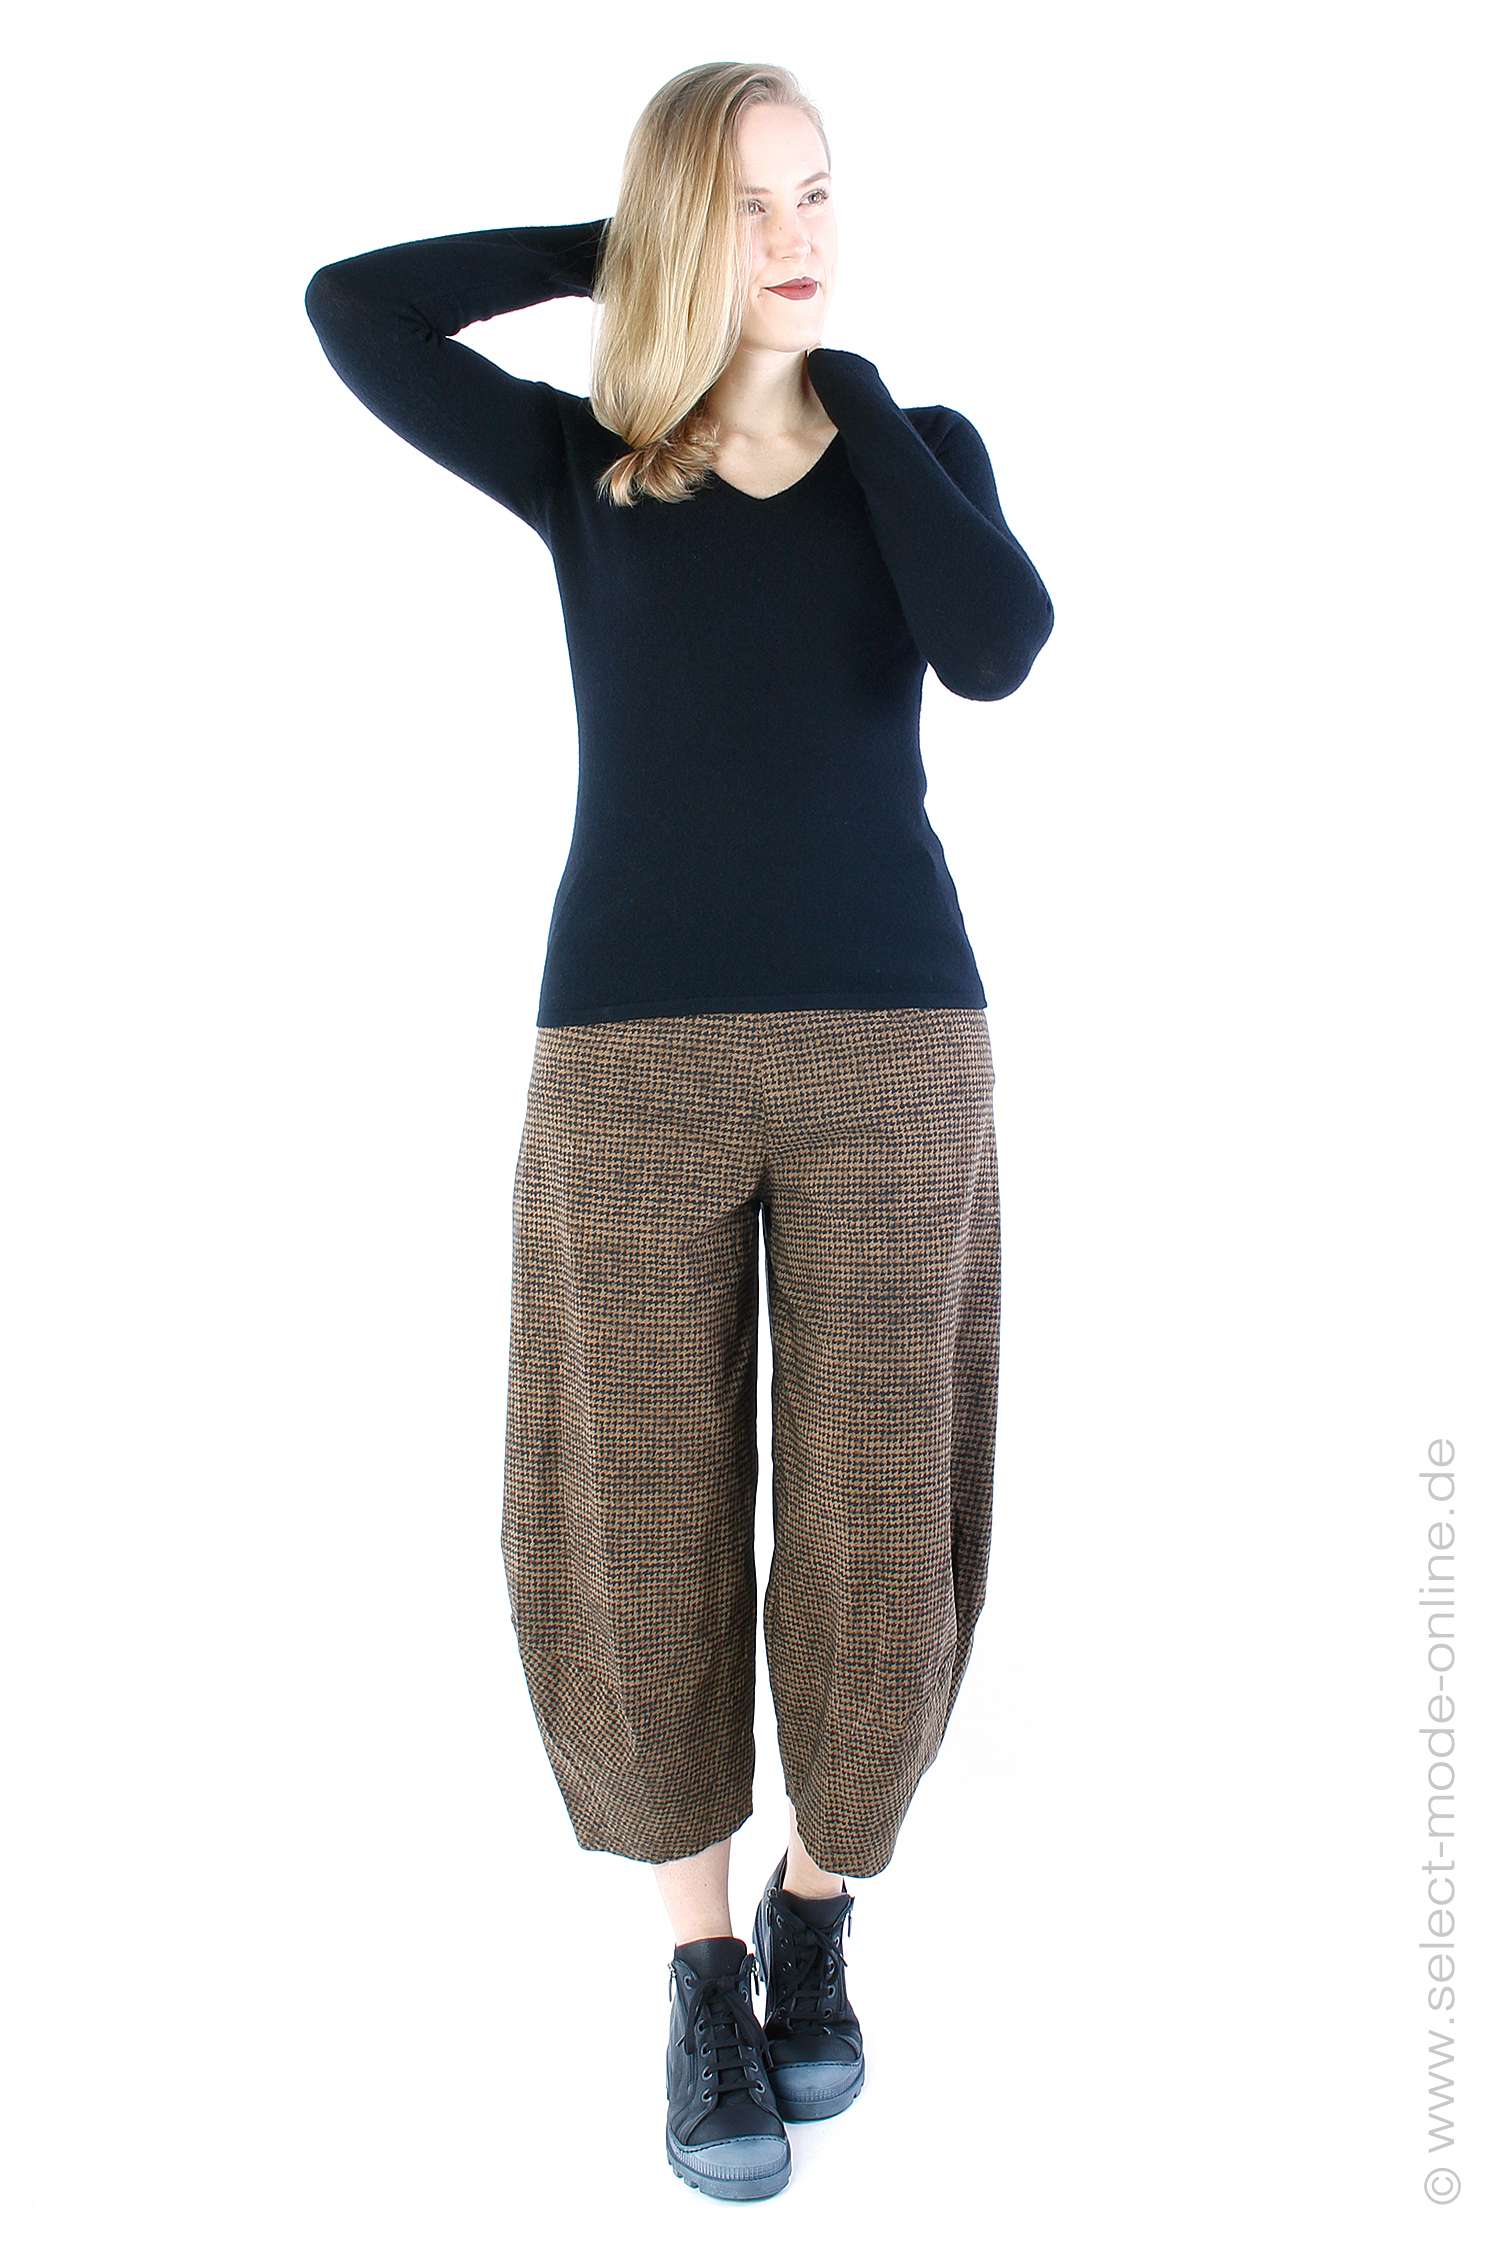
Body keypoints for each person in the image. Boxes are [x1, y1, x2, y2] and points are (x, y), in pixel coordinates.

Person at [304, 59, 1053, 2201]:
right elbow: (354, 306)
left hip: (894, 1044)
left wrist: (854, 397)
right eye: (746, 209)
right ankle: (704, 1974)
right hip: (625, 1052)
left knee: (882, 1509)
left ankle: (824, 1901)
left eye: (819, 194)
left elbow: (1000, 648)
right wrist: (618, 262)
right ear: (673, 231)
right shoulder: (587, 466)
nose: (799, 239)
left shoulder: (918, 452)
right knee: (632, 1507)